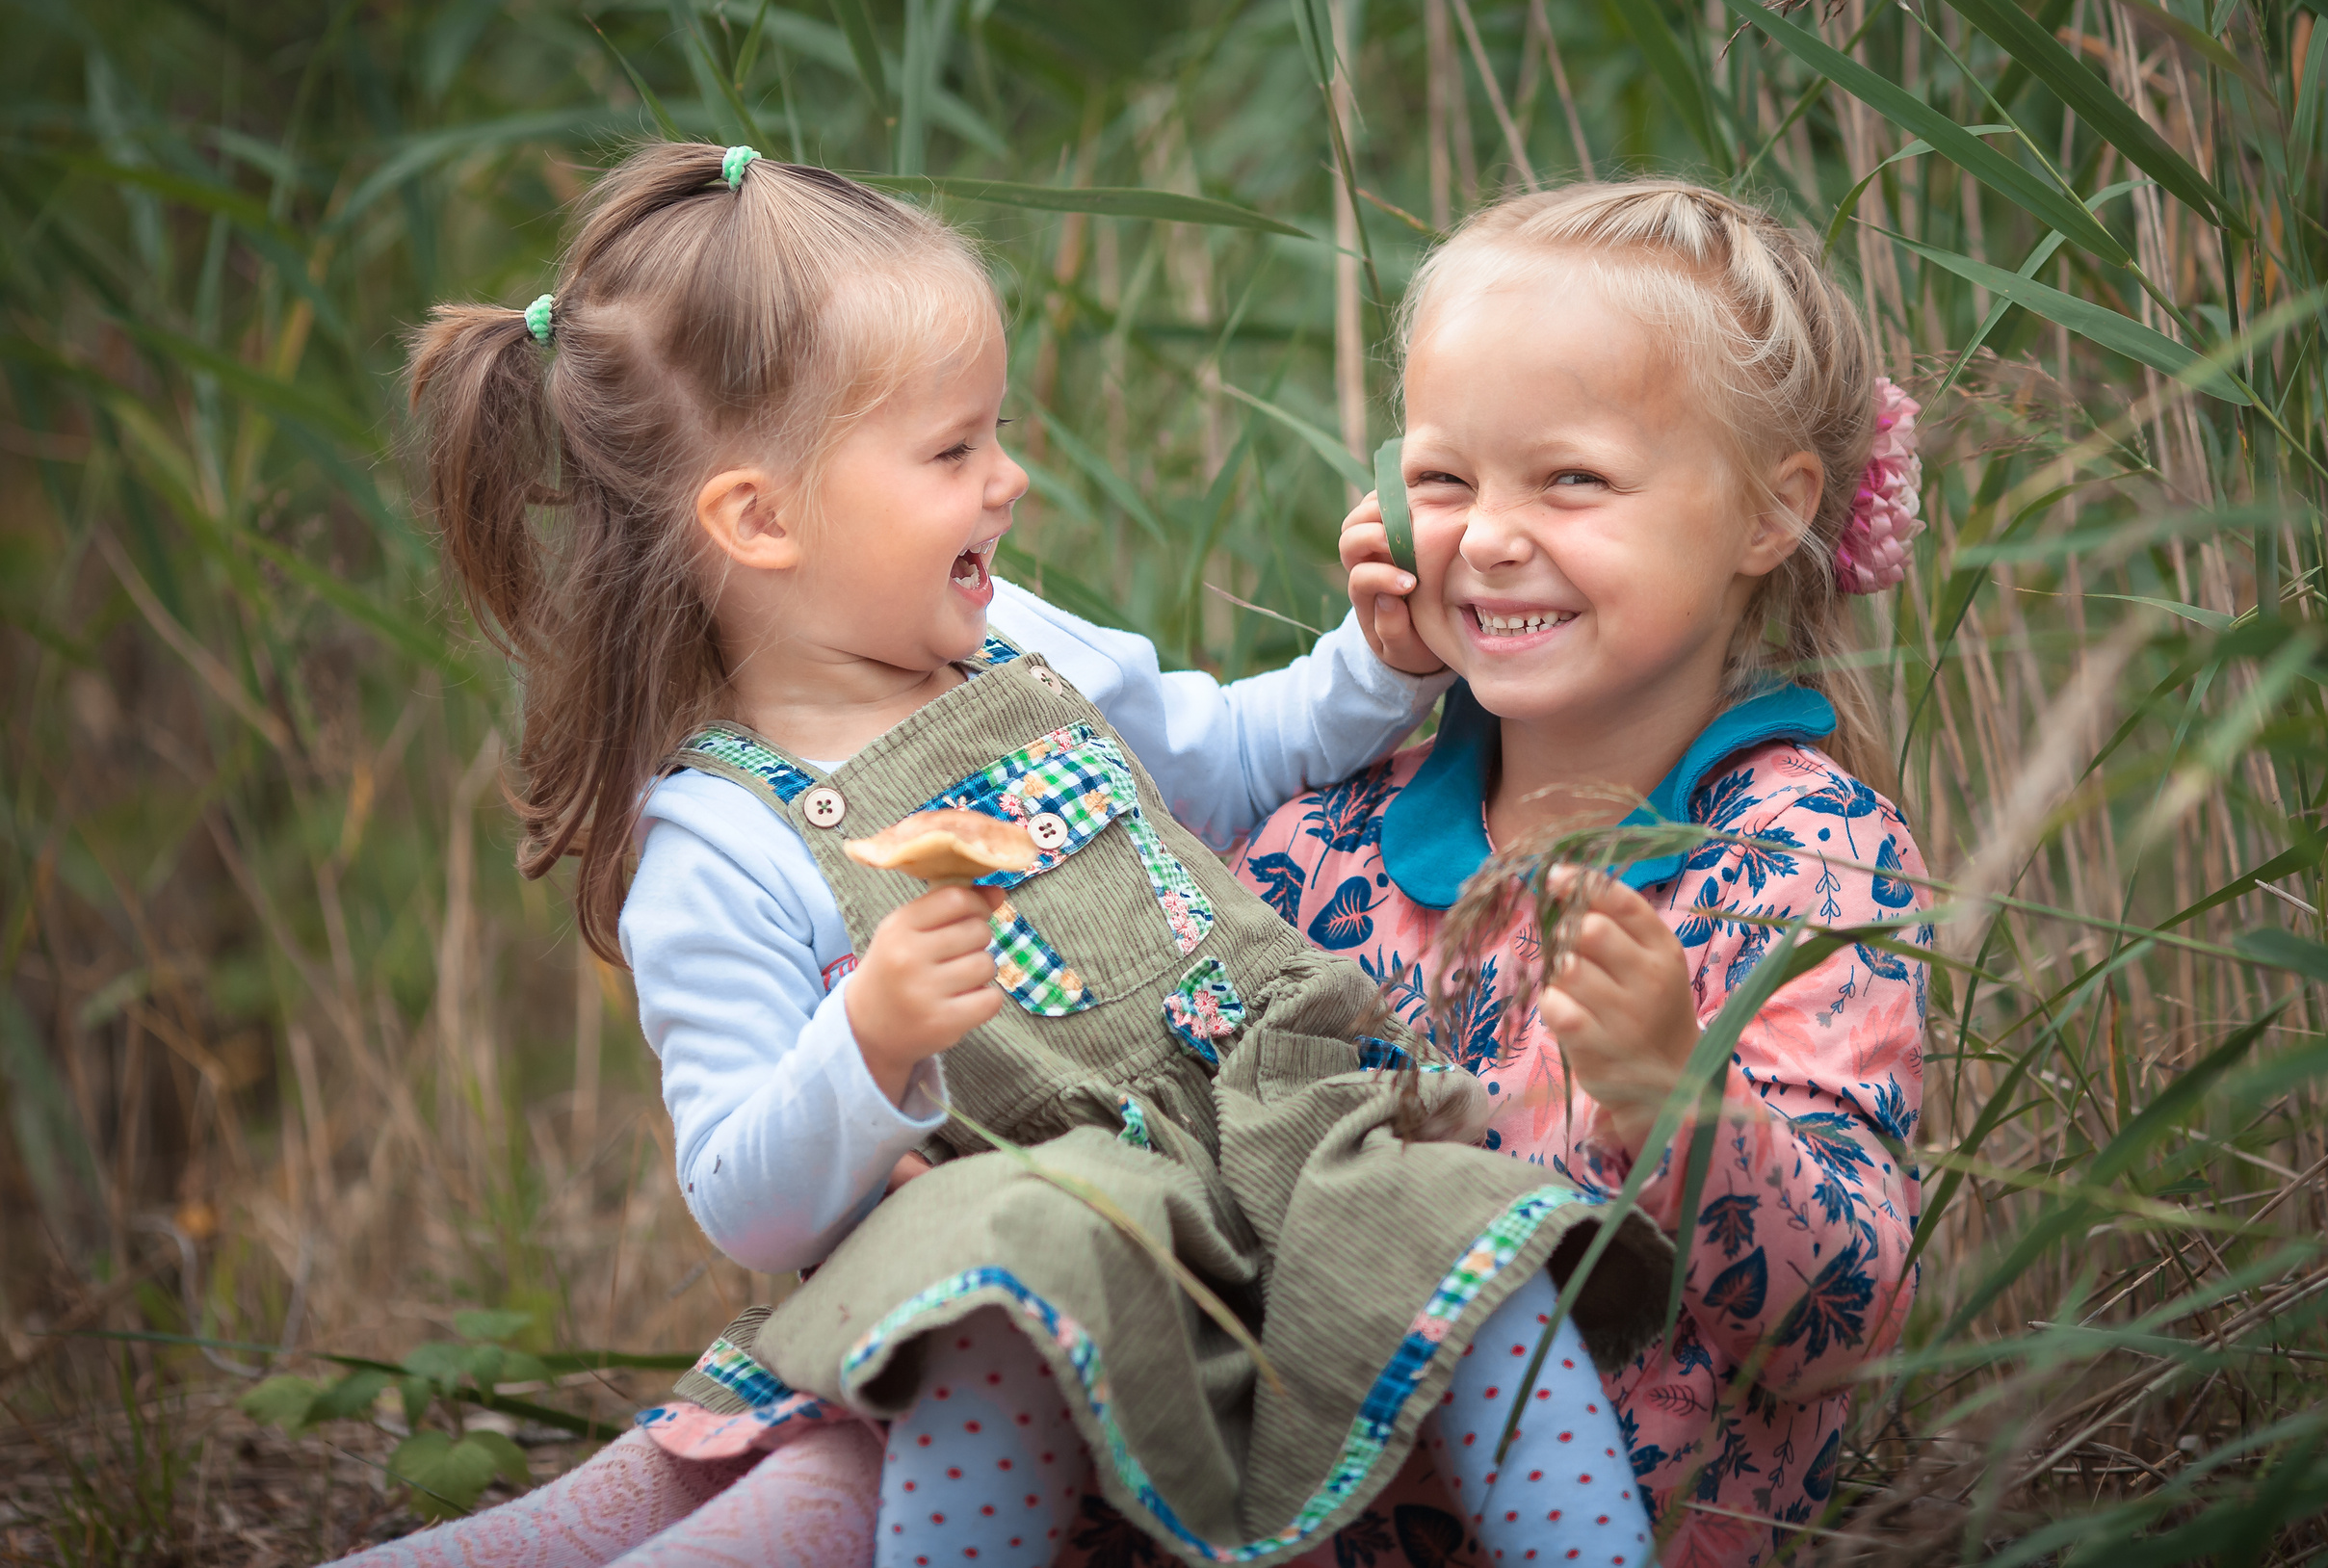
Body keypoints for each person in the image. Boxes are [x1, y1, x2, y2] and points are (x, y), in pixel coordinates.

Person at [339, 144, 1670, 1568]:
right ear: (761, 518)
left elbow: (1219, 757)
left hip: (1283, 1129)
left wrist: (1374, 666)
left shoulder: (1019, 643)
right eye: (952, 451)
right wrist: (868, 1039)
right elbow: (743, 1192)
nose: (1008, 478)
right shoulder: (723, 841)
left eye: (995, 434)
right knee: (951, 1332)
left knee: (1478, 1236)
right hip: (1030, 1227)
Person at [1227, 180, 1933, 1568]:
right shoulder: (1317, 847)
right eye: (1443, 479)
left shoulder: (1803, 864)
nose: (1489, 534)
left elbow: (1843, 1318)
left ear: (1766, 514)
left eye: (1572, 480)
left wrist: (1689, 1095)